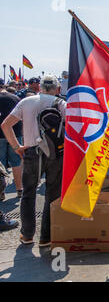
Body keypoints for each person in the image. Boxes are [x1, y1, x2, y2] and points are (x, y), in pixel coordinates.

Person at [1, 75, 66, 247]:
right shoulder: (61, 103)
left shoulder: (26, 102)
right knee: (52, 194)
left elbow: (5, 125)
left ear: (40, 88)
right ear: (57, 89)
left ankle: (27, 234)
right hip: (56, 154)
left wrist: (17, 146)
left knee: (28, 193)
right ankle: (46, 236)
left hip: (31, 150)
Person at [0, 86, 23, 201]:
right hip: (15, 133)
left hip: (0, 136)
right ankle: (19, 189)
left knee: (1, 165)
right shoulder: (15, 98)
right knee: (16, 163)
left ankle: (1, 192)